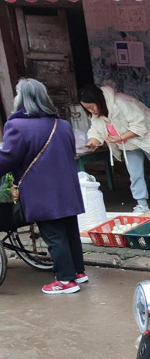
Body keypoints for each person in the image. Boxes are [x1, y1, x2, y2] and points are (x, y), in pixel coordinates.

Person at [0, 79, 87, 294]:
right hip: (68, 188)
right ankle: (78, 272)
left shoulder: (17, 126)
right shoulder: (62, 124)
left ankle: (65, 281)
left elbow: (7, 158)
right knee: (70, 231)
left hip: (43, 191)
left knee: (54, 235)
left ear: (23, 98)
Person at [79, 84, 150, 215]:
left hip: (149, 138)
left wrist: (119, 138)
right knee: (135, 175)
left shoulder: (122, 102)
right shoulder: (97, 114)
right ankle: (142, 205)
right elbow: (96, 131)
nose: (91, 111)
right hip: (129, 145)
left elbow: (139, 126)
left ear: (99, 100)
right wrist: (92, 142)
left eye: (91, 107)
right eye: (87, 109)